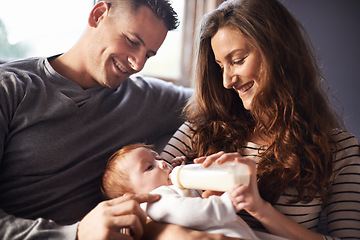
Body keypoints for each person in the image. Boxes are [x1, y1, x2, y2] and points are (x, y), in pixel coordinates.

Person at [161, 0, 360, 240]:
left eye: (238, 60)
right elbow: (143, 202)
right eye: (220, 66)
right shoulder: (200, 129)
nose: (226, 81)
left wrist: (258, 207)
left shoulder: (339, 150)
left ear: (279, 52)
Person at [0, 0, 196, 239]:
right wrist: (74, 234)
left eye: (149, 55)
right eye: (132, 42)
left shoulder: (143, 97)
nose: (138, 64)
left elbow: (216, 100)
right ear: (99, 14)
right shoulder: (11, 88)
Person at [101, 143, 290, 240]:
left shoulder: (170, 191)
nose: (162, 163)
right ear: (132, 198)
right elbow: (189, 211)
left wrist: (186, 170)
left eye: (158, 157)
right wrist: (227, 203)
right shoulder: (154, 201)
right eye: (149, 167)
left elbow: (190, 198)